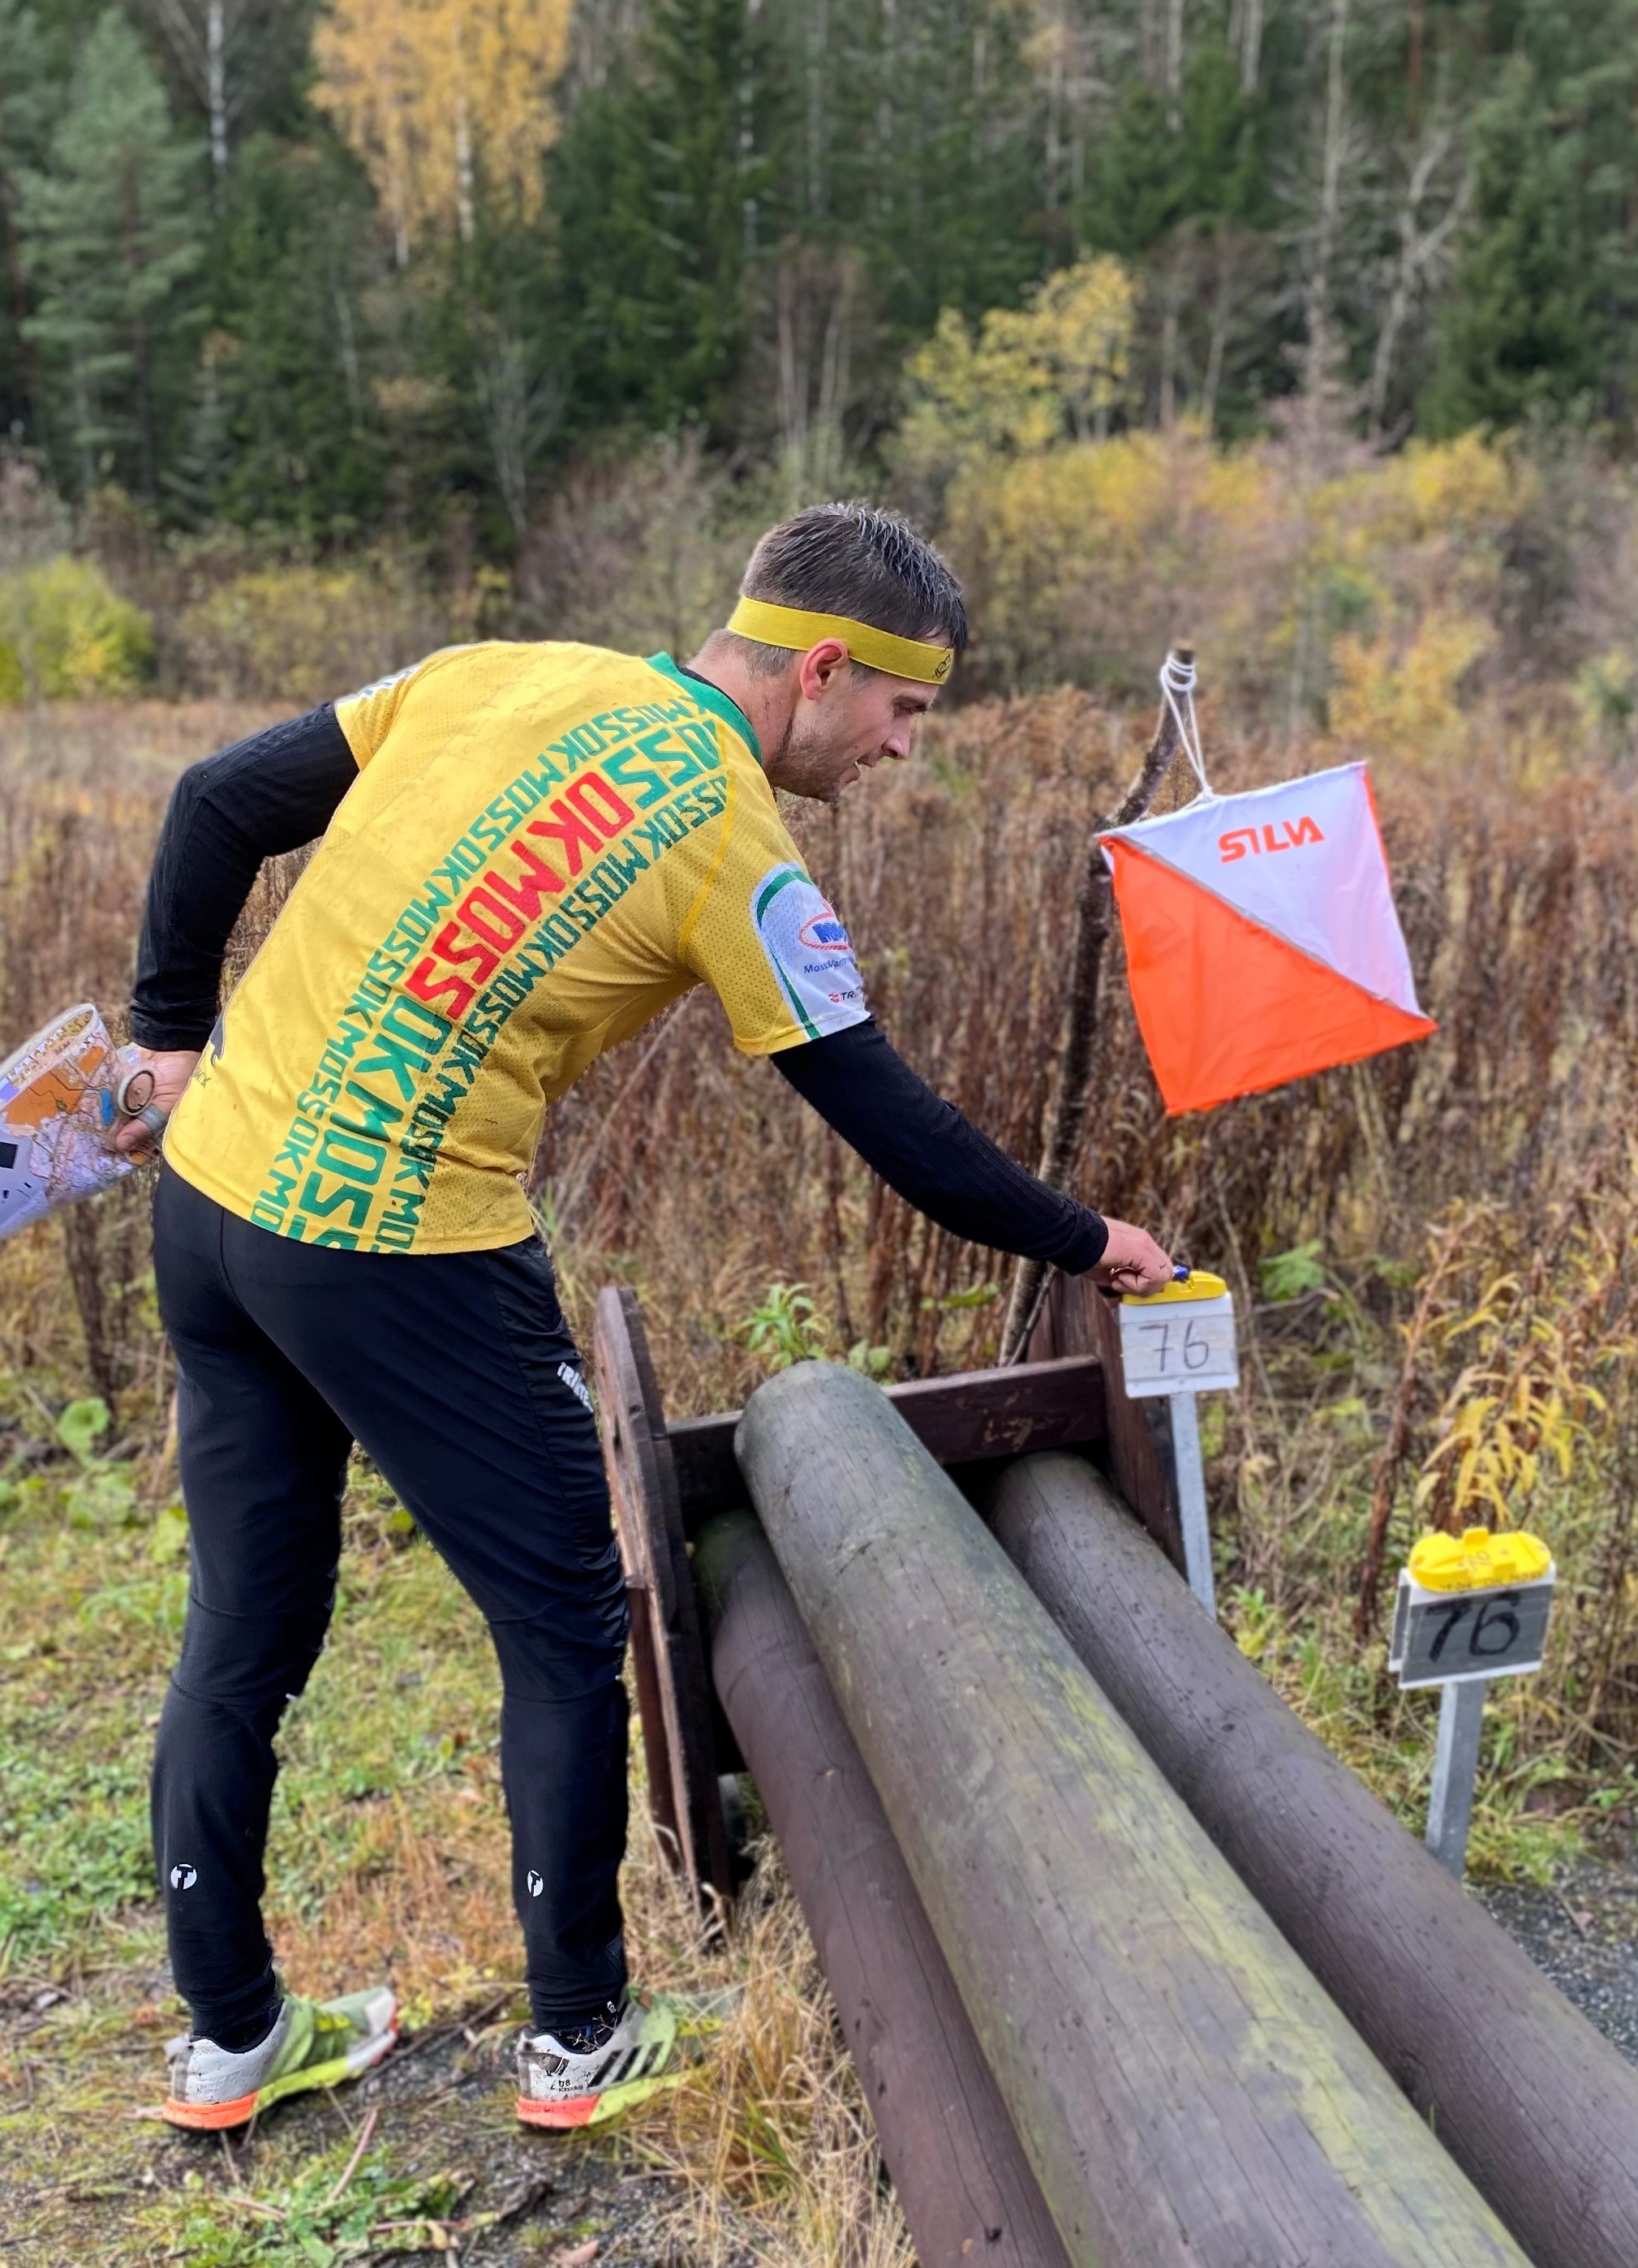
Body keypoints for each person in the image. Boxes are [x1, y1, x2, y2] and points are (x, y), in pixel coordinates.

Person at [115, 502, 1176, 2138]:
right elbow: (883, 1115)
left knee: (244, 1626)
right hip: (403, 1241)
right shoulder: (735, 843)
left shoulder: (500, 671)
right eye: (905, 711)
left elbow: (213, 804)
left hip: (210, 1200)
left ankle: (231, 2040)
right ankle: (581, 2038)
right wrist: (1084, 1232)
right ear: (824, 667)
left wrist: (172, 1036)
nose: (902, 749)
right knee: (561, 1623)